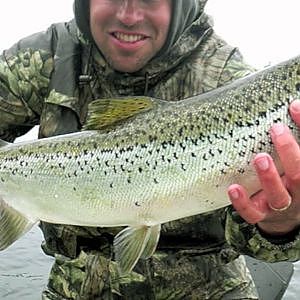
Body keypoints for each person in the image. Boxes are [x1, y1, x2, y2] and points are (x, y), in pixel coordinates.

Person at [1, 0, 300, 299]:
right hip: (75, 284)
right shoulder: (47, 54)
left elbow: (268, 247)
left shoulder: (228, 74)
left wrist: (282, 222)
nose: (129, 16)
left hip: (211, 287)